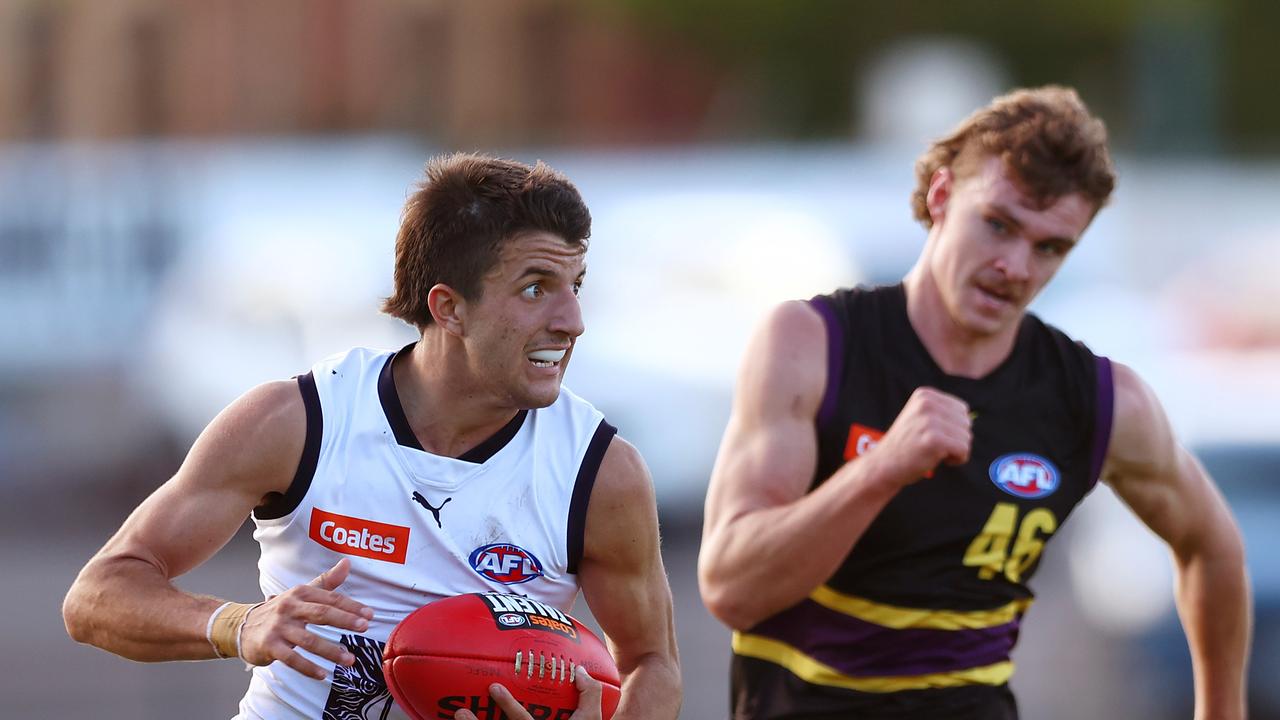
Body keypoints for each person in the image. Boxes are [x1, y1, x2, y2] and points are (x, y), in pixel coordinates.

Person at [63, 153, 682, 720]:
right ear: (449, 308)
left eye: (575, 286)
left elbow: (652, 664)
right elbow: (98, 595)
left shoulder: (600, 473)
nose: (572, 321)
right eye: (535, 289)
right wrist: (240, 625)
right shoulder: (300, 422)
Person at [698, 86, 1251, 719]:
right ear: (941, 196)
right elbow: (731, 589)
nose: (1015, 266)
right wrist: (881, 470)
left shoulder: (1098, 399)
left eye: (1049, 248)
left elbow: (1213, 546)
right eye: (999, 224)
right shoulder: (812, 344)